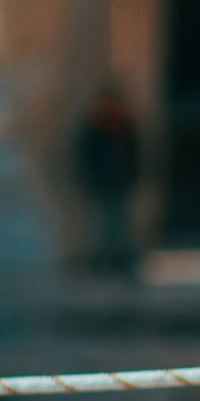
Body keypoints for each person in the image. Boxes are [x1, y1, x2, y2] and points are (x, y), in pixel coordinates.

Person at [71, 82, 145, 275]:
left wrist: (133, 175)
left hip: (120, 182)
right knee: (101, 225)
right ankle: (100, 262)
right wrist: (89, 179)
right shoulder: (94, 129)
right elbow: (85, 156)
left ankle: (122, 260)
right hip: (102, 183)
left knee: (122, 224)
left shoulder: (125, 127)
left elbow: (133, 154)